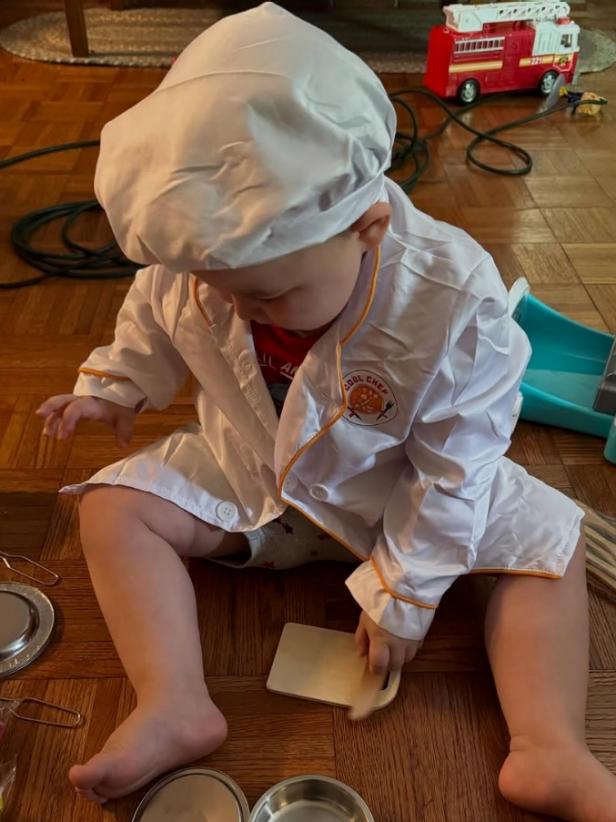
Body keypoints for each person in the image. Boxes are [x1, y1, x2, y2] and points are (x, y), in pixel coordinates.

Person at [36, 4, 616, 819]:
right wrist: (114, 384)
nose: (241, 312)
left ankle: (548, 749)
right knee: (110, 509)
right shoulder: (208, 264)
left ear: (368, 227)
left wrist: (405, 596)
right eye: (221, 290)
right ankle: (173, 702)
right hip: (256, 476)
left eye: (269, 295)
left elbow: (456, 468)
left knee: (551, 542)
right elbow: (153, 315)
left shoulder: (454, 300)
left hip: (398, 498)